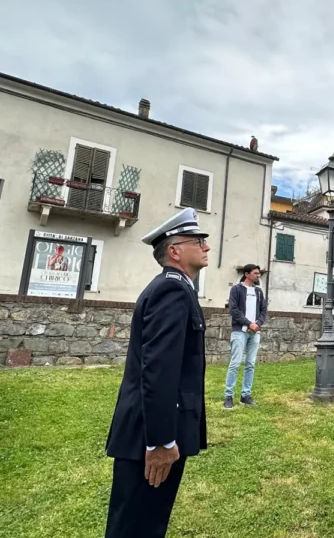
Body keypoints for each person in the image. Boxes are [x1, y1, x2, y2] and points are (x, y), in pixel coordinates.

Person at [104, 208, 210, 538]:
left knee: (144, 523)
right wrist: (162, 441)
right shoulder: (171, 291)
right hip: (151, 437)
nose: (206, 246)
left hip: (151, 431)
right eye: (198, 241)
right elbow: (159, 370)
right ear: (175, 251)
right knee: (138, 527)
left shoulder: (177, 288)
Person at [224, 264, 268, 409]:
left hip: (255, 332)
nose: (258, 275)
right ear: (247, 274)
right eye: (256, 273)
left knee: (250, 364)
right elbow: (233, 310)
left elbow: (264, 310)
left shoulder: (259, 291)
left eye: (259, 273)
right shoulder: (236, 289)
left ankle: (245, 395)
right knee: (235, 364)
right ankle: (228, 396)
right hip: (239, 331)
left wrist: (257, 324)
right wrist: (249, 324)